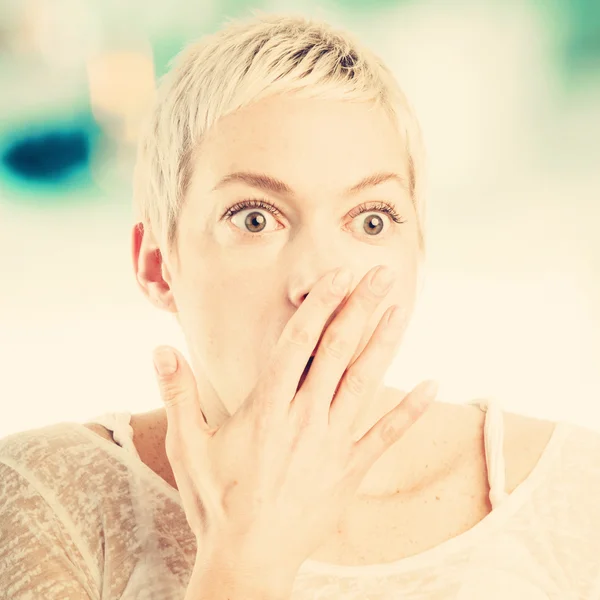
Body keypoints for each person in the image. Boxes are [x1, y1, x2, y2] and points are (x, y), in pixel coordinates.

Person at [1, 11, 599, 600]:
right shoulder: (41, 495)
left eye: (371, 220)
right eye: (255, 218)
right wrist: (243, 563)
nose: (320, 279)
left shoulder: (577, 494)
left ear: (418, 254)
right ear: (159, 265)